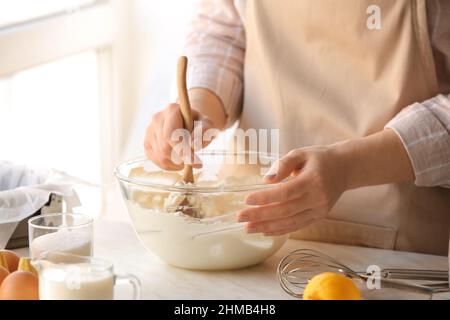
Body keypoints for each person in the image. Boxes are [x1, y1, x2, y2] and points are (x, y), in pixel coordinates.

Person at [144, 0, 450, 255]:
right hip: (243, 234)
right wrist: (199, 108)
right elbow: (224, 31)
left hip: (391, 252)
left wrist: (347, 168)